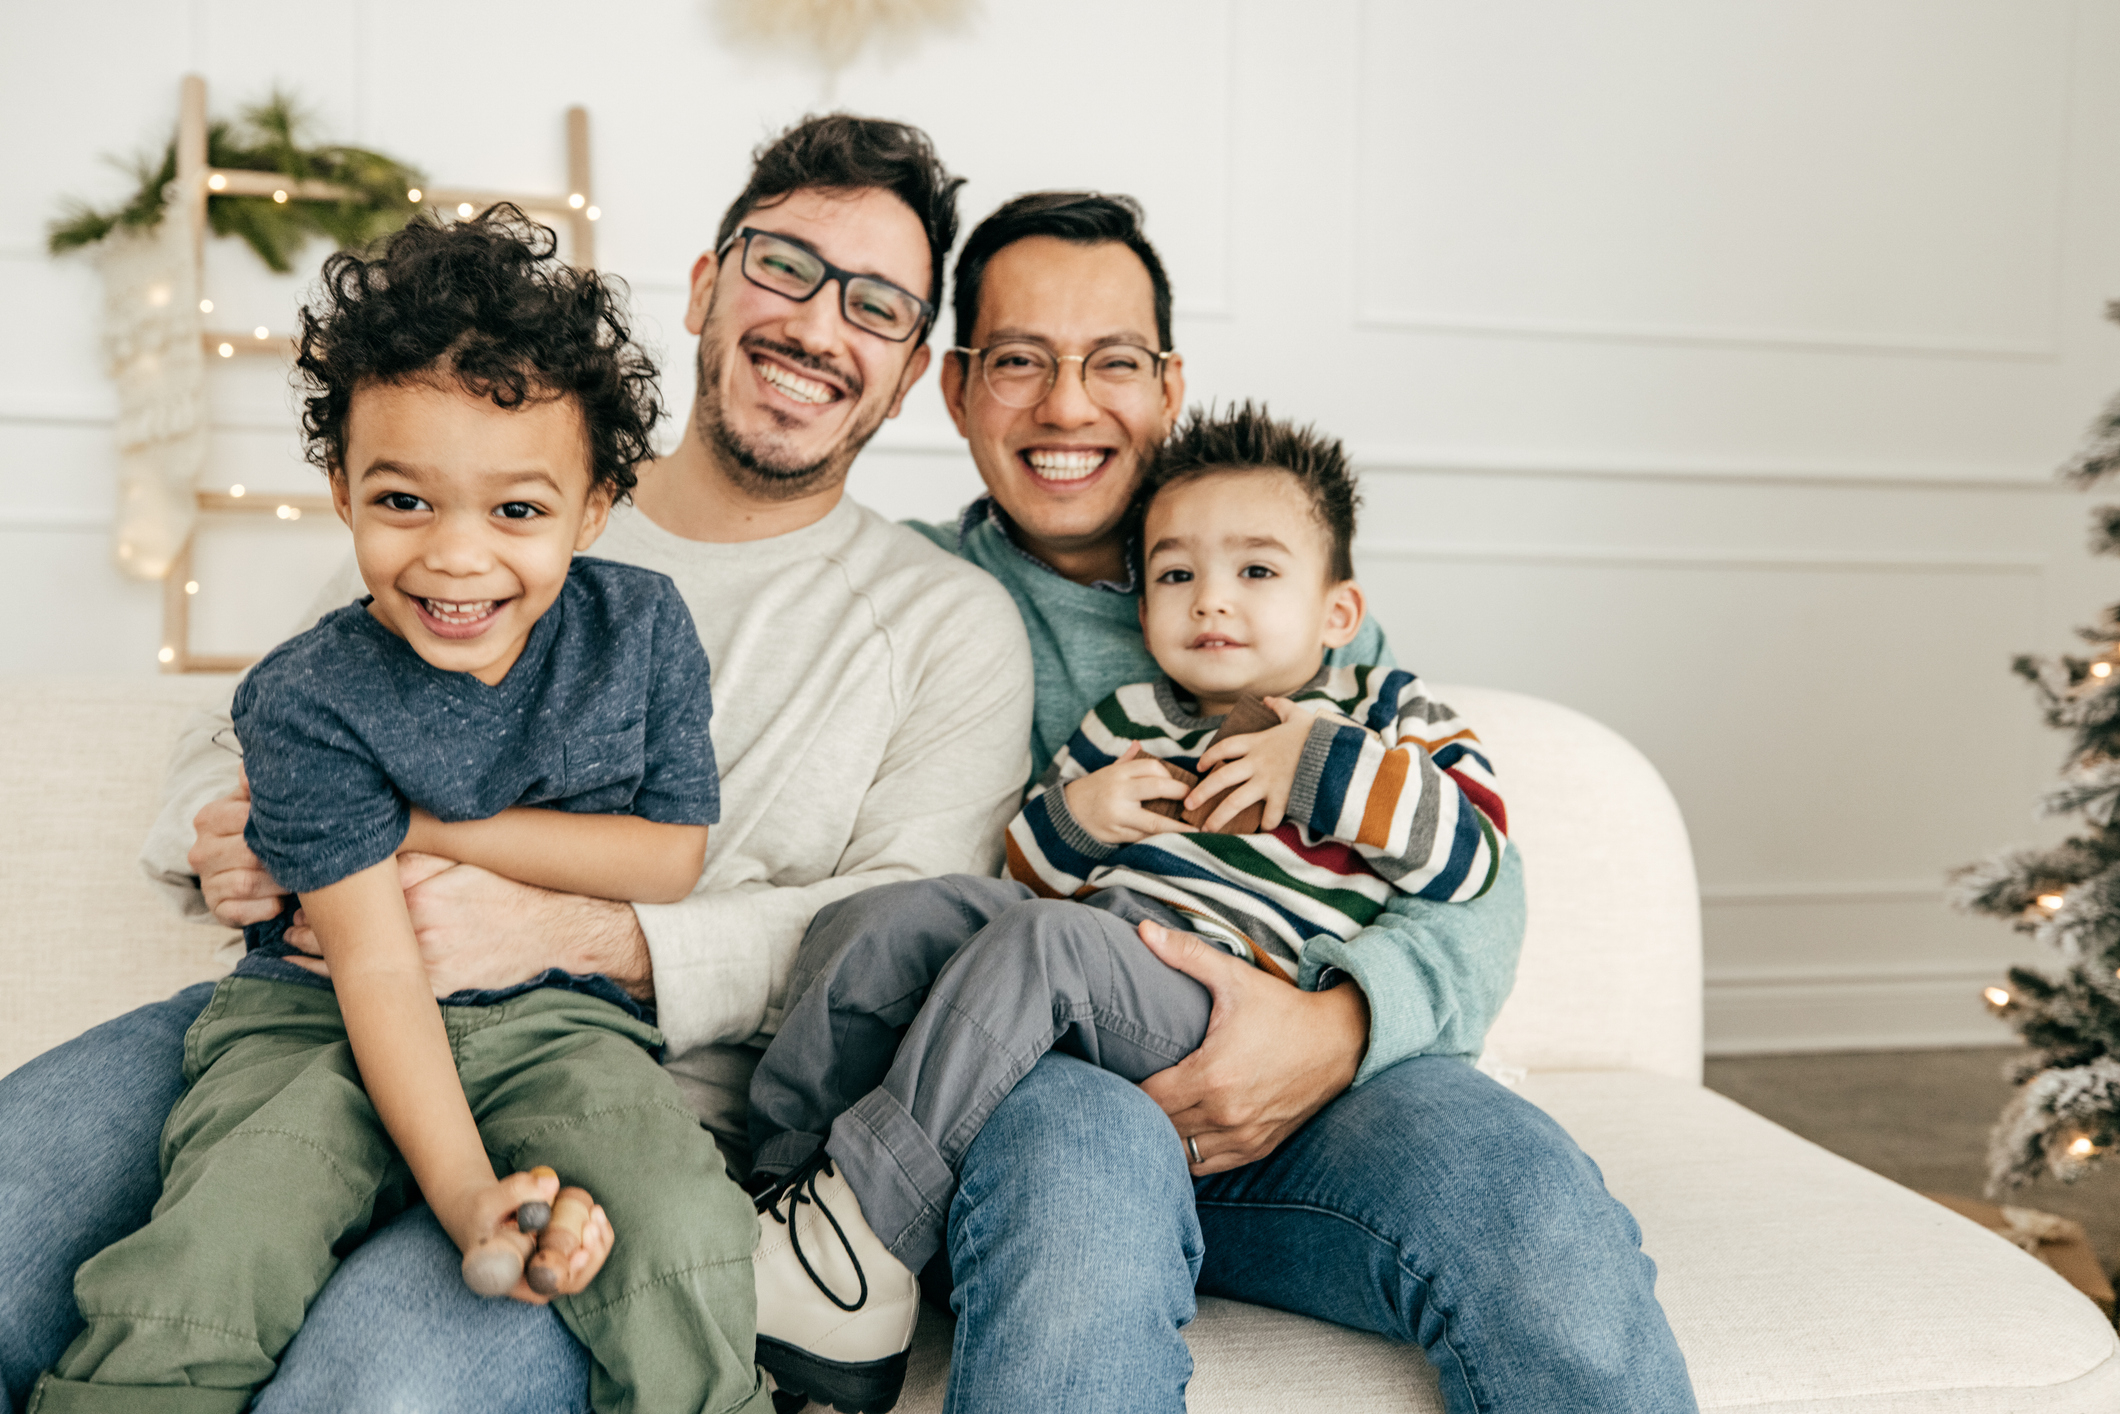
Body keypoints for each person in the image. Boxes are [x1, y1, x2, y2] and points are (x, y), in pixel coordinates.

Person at [0, 116, 1033, 1412]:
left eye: (876, 301)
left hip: (603, 1062)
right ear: (709, 286)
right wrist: (229, 832)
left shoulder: (940, 622)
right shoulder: (458, 468)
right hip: (306, 994)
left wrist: (593, 930)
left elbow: (906, 933)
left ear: (912, 364)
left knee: (371, 1388)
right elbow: (257, 723)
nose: (821, 323)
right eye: (785, 265)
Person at [887, 191, 1698, 1413]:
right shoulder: (912, 591)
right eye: (1016, 362)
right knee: (1077, 1213)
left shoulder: (1276, 565)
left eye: (1110, 362)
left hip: (1320, 1069)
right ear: (955, 389)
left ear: (1167, 384)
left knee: (1530, 1206)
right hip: (1049, 1084)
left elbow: (1473, 870)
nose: (1065, 406)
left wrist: (1338, 1033)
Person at [34, 208, 772, 1414]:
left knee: (685, 1230)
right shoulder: (306, 695)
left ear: (594, 508)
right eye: (405, 502)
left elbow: (672, 855)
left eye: (517, 512)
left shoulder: (640, 634)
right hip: (314, 1013)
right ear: (339, 490)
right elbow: (378, 969)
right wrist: (470, 1195)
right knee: (222, 1244)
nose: (456, 559)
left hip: (561, 1024)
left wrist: (428, 831)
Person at [744, 405, 1510, 1414]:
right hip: (1081, 982)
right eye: (1176, 574)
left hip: (1218, 1002)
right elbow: (1025, 876)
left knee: (1051, 943)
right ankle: (775, 1194)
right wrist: (1075, 816)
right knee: (885, 919)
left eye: (1256, 571)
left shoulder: (1385, 710)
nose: (1212, 603)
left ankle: (865, 1235)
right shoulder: (1125, 720)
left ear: (1336, 611)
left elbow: (1471, 856)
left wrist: (1319, 763)